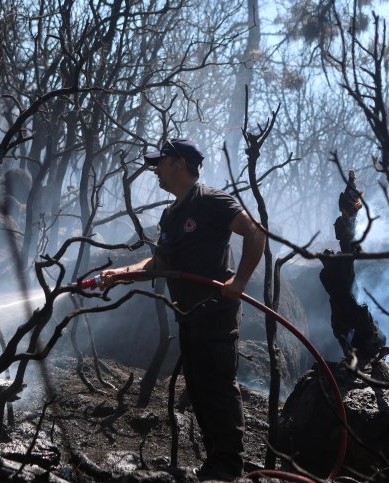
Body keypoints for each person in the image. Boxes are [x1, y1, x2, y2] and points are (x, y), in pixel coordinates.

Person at [101, 138, 265, 481]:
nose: (155, 169)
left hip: (216, 312)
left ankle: (229, 466)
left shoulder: (210, 200)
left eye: (160, 162)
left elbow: (255, 233)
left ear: (179, 163)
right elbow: (159, 263)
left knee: (218, 387)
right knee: (200, 389)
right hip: (188, 314)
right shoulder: (172, 213)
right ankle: (214, 465)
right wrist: (122, 274)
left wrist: (239, 282)